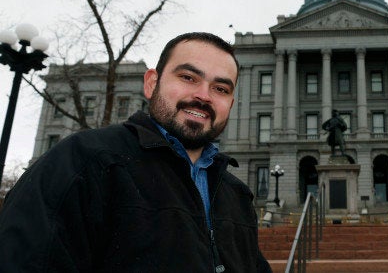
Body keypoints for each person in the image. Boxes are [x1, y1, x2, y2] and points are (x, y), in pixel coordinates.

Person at [0, 32, 272, 272]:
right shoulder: (83, 162)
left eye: (220, 88)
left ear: (231, 103)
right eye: (188, 77)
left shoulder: (235, 194)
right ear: (152, 83)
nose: (204, 95)